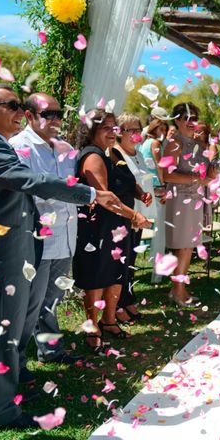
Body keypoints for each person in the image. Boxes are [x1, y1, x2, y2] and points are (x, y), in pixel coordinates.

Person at [0, 83, 119, 429]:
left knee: (10, 325)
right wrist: (91, 193)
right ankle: (3, 410)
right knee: (5, 326)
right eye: (12, 106)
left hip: (18, 246)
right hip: (2, 254)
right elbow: (32, 180)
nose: (20, 113)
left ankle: (7, 387)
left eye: (21, 105)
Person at [8, 93, 85, 385]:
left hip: (66, 236)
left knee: (52, 299)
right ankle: (17, 363)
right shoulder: (19, 147)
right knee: (29, 306)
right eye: (47, 114)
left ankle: (50, 350)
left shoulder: (66, 149)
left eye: (58, 114)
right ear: (29, 116)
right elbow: (35, 190)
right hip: (38, 239)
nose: (55, 119)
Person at [73, 109, 151, 349]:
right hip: (98, 227)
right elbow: (105, 198)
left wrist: (138, 198)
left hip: (117, 225)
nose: (112, 131)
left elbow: (125, 183)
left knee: (116, 272)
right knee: (96, 274)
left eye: (114, 127)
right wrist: (134, 214)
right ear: (92, 129)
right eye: (106, 127)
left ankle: (108, 320)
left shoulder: (109, 154)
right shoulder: (93, 156)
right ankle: (92, 326)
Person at [162, 103, 217, 306]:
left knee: (188, 247)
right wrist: (197, 180)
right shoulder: (175, 144)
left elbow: (208, 174)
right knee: (183, 247)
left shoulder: (197, 145)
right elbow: (167, 174)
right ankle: (178, 291)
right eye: (185, 117)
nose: (190, 121)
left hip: (196, 199)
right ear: (176, 120)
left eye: (194, 117)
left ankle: (178, 288)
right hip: (181, 199)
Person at [113, 113, 155, 323]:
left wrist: (146, 194)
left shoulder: (138, 154)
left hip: (139, 214)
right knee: (121, 261)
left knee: (131, 260)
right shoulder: (115, 154)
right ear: (120, 133)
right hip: (125, 215)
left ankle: (128, 297)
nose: (137, 134)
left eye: (139, 130)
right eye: (131, 130)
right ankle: (117, 304)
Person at [139, 117, 168, 284]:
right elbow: (160, 166)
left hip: (147, 187)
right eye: (161, 128)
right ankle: (158, 273)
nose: (163, 132)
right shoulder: (155, 144)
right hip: (157, 188)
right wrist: (164, 185)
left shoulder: (143, 143)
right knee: (160, 231)